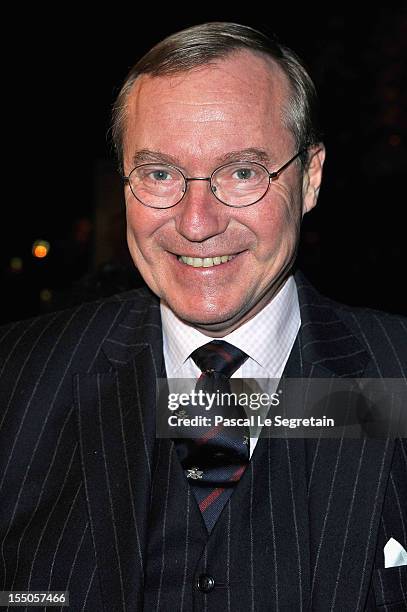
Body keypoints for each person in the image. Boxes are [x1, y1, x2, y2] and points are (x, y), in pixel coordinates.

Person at [0, 22, 406, 612]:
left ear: (310, 177)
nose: (196, 223)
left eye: (242, 172)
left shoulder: (394, 376)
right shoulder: (16, 382)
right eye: (160, 174)